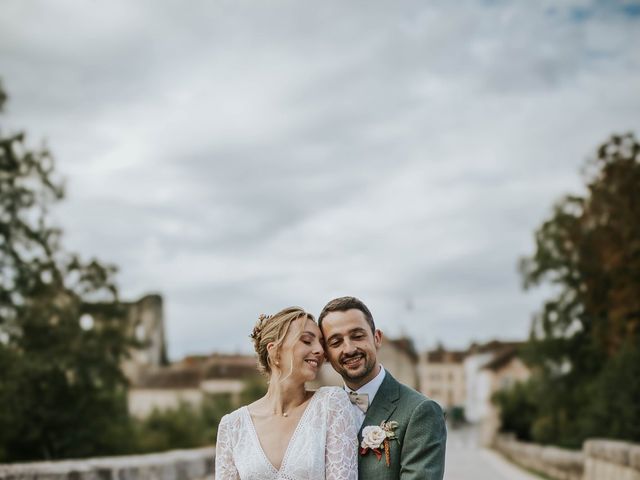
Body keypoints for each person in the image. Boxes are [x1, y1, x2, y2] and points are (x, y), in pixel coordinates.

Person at [215, 306, 358, 480]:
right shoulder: (232, 426)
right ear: (274, 351)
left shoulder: (331, 404)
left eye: (321, 343)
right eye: (307, 341)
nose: (320, 350)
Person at [318, 297, 447, 480]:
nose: (349, 349)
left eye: (357, 336)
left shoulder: (421, 411)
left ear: (377, 338)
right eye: (336, 342)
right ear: (326, 355)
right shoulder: (319, 411)